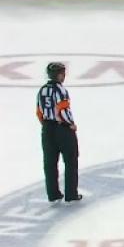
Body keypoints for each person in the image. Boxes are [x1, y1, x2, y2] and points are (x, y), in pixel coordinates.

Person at [37, 62, 82, 204]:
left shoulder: (42, 90)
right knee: (70, 160)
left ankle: (53, 194)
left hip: (47, 129)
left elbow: (39, 112)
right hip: (62, 129)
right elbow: (62, 110)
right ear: (59, 74)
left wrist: (46, 125)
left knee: (49, 163)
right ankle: (71, 194)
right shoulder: (60, 90)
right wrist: (70, 124)